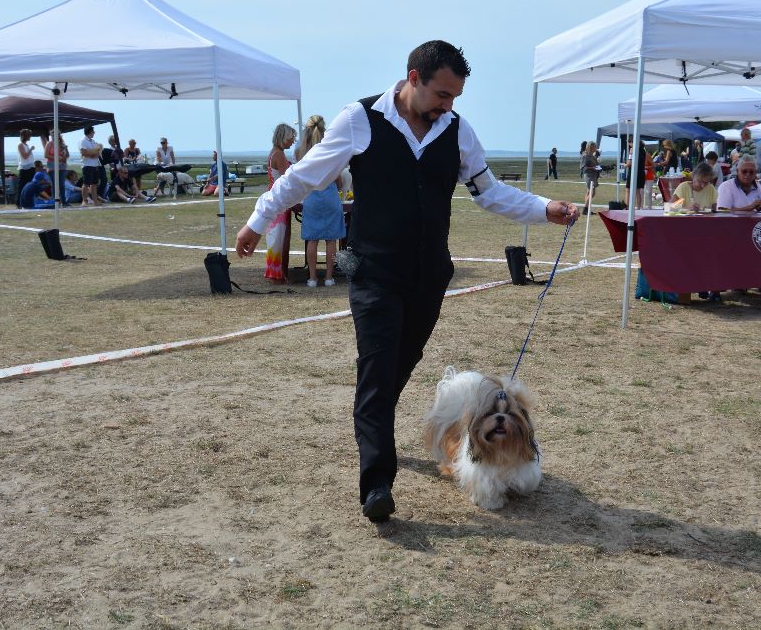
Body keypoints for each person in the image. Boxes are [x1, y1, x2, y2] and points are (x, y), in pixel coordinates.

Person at [234, 40, 578, 523]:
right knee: (376, 374)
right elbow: (304, 176)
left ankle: (370, 421)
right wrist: (256, 219)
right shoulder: (360, 119)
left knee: (397, 369)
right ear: (413, 78)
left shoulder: (457, 131)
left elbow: (489, 192)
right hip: (374, 273)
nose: (448, 106)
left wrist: (546, 209)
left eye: (455, 97)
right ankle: (377, 483)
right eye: (442, 94)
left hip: (429, 277)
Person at [296, 115, 346, 288]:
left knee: (312, 239)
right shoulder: (330, 150)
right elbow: (338, 179)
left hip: (311, 197)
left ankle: (312, 278)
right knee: (331, 240)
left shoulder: (300, 151)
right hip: (330, 196)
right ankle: (329, 278)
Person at [263, 123, 297, 282]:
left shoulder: (273, 153)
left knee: (275, 237)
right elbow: (287, 179)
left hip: (272, 196)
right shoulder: (280, 155)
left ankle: (276, 271)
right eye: (291, 138)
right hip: (280, 200)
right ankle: (280, 273)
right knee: (281, 238)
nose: (293, 141)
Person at [79, 126, 105, 206]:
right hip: (87, 165)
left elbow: (97, 153)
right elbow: (84, 153)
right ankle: (85, 200)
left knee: (94, 184)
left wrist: (91, 153)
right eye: (93, 131)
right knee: (86, 184)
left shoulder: (93, 141)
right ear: (90, 132)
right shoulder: (82, 141)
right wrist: (92, 153)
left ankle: (95, 201)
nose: (94, 133)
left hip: (95, 165)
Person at [42, 129, 70, 203]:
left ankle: (64, 202)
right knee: (54, 184)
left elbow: (67, 155)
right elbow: (45, 155)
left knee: (61, 184)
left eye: (56, 134)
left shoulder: (62, 144)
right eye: (52, 135)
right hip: (52, 166)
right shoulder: (49, 144)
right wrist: (56, 157)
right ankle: (55, 202)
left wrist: (64, 154)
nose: (54, 136)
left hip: (62, 166)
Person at [16, 128, 37, 207]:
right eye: (29, 135)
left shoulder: (26, 145)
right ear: (25, 136)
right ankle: (19, 203)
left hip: (30, 167)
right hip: (24, 168)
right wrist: (31, 149)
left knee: (29, 186)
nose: (30, 137)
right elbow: (25, 156)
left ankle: (27, 202)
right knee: (22, 186)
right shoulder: (20, 145)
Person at [624, 139, 647, 208]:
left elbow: (629, 163)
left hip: (633, 172)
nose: (629, 145)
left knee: (628, 190)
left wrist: (625, 165)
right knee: (637, 191)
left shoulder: (632, 150)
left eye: (629, 143)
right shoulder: (643, 150)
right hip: (641, 172)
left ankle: (627, 207)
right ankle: (639, 208)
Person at [581, 140, 601, 213]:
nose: (596, 148)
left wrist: (599, 168)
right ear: (591, 147)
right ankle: (585, 209)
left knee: (589, 192)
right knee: (592, 193)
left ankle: (587, 209)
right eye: (595, 147)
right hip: (589, 176)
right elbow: (583, 167)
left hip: (594, 175)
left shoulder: (593, 156)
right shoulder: (585, 156)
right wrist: (593, 168)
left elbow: (596, 165)